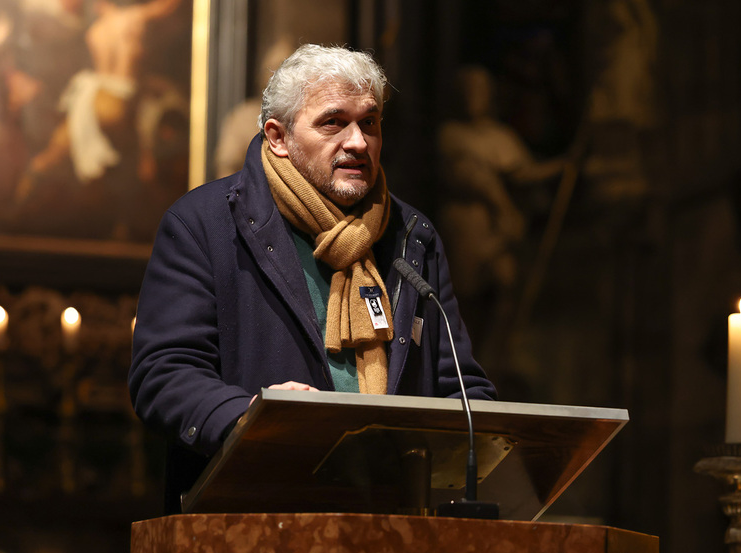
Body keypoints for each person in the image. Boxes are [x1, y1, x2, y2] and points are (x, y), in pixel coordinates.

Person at [128, 44, 496, 510]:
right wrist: (248, 418)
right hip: (252, 517)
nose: (358, 142)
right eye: (333, 122)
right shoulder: (202, 225)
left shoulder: (412, 237)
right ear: (278, 137)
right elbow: (163, 374)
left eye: (370, 122)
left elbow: (460, 386)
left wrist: (489, 441)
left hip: (396, 521)